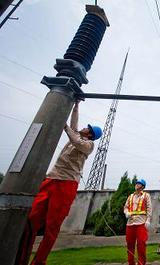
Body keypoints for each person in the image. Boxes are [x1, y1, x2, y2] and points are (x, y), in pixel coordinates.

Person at [17, 101, 103, 265]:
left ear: (90, 134)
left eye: (87, 128)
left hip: (67, 184)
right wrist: (76, 105)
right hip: (51, 179)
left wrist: (65, 127)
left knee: (52, 226)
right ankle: (20, 258)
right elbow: (74, 125)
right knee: (31, 220)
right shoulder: (77, 135)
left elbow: (75, 138)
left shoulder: (88, 144)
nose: (83, 127)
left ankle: (39, 261)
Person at [124, 179, 152, 265]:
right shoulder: (130, 196)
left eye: (138, 183)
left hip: (141, 224)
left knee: (141, 245)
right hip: (130, 223)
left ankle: (141, 263)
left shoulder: (146, 196)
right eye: (136, 183)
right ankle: (131, 263)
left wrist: (148, 220)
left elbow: (149, 209)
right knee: (130, 245)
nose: (136, 184)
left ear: (142, 186)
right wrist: (126, 213)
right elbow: (125, 207)